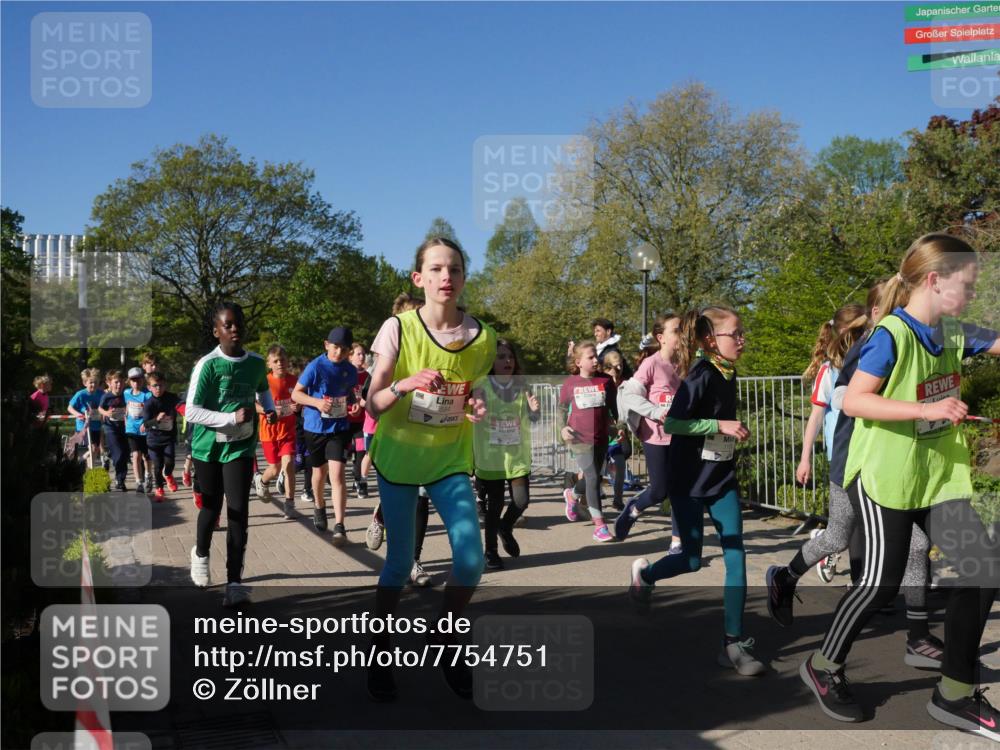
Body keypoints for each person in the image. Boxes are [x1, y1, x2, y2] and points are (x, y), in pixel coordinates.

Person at [798, 233, 999, 737]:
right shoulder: (890, 333)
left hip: (935, 478)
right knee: (881, 583)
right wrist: (927, 408)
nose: (974, 293)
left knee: (980, 571)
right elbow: (855, 400)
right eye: (968, 285)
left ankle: (954, 693)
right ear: (935, 280)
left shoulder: (952, 331)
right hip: (885, 478)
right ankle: (823, 666)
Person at [768, 285, 946, 669]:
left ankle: (918, 636)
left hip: (897, 464)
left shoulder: (907, 341)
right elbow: (836, 403)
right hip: (854, 465)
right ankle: (785, 577)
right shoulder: (870, 347)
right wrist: (805, 457)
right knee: (836, 536)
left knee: (917, 545)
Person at [365, 237, 496, 702]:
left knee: (471, 560)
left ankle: (445, 636)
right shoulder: (398, 328)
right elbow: (374, 404)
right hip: (399, 460)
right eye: (437, 269)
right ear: (419, 278)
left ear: (463, 278)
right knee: (399, 563)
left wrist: (478, 402)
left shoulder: (483, 336)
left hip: (450, 460)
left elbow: (475, 390)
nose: (447, 277)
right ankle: (378, 648)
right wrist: (404, 383)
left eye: (455, 269)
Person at [628, 306, 765, 677]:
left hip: (721, 480)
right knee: (689, 560)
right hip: (688, 482)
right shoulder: (701, 374)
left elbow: (718, 424)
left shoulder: (727, 371)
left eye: (742, 332)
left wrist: (732, 429)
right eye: (734, 333)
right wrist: (719, 423)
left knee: (735, 553)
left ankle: (732, 643)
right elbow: (673, 422)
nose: (742, 339)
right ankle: (647, 576)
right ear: (710, 340)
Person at [187, 302, 276, 607]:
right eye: (228, 325)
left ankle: (234, 582)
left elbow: (262, 389)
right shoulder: (208, 365)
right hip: (208, 447)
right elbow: (191, 411)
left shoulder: (255, 363)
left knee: (239, 511)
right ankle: (200, 554)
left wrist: (271, 409)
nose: (235, 329)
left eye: (238, 324)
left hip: (240, 445)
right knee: (211, 508)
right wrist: (228, 419)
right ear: (217, 332)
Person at [614, 314, 684, 548]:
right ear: (661, 337)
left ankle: (677, 542)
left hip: (681, 435)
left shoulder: (687, 363)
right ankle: (633, 508)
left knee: (679, 490)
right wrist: (655, 412)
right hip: (656, 435)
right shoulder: (651, 363)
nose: (682, 334)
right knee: (659, 491)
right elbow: (629, 394)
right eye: (677, 330)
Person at [473, 339, 540, 570]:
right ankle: (490, 551)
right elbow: (474, 415)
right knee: (495, 505)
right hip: (491, 455)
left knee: (521, 500)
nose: (507, 361)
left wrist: (534, 411)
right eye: (501, 357)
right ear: (491, 361)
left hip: (516, 453)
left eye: (510, 356)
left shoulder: (522, 385)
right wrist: (477, 409)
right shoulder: (482, 384)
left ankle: (505, 527)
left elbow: (532, 419)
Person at [291, 326, 360, 543]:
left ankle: (340, 526)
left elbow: (350, 395)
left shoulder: (350, 370)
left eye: (344, 349)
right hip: (315, 428)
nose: (338, 352)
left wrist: (354, 405)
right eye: (335, 347)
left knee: (337, 474)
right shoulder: (315, 366)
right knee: (318, 474)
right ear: (326, 345)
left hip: (339, 429)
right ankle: (319, 506)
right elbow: (296, 394)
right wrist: (317, 402)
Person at [560, 341, 617, 542]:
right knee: (593, 477)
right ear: (578, 362)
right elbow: (561, 408)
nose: (596, 360)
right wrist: (562, 427)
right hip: (578, 438)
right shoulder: (570, 383)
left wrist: (618, 426)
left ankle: (572, 495)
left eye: (596, 356)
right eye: (590, 357)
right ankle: (600, 526)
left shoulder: (606, 381)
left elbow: (613, 407)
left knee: (593, 477)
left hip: (601, 437)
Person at [254, 345, 299, 519]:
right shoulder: (263, 381)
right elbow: (253, 404)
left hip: (288, 432)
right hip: (269, 433)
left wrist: (298, 406)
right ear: (269, 364)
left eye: (283, 360)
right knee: (274, 468)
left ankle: (289, 503)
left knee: (288, 465)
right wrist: (268, 411)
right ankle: (262, 481)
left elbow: (300, 399)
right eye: (276, 361)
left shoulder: (294, 381)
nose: (280, 363)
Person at [142, 372, 181, 501]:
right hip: (153, 440)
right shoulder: (149, 403)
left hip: (168, 437)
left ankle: (168, 474)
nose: (158, 388)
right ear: (149, 387)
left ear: (165, 386)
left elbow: (182, 405)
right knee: (157, 465)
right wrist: (156, 419)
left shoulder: (172, 398)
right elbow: (146, 424)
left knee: (170, 462)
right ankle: (159, 489)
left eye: (161, 385)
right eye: (155, 386)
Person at [602, 350, 631, 512]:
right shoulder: (599, 381)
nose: (618, 367)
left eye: (620, 363)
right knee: (595, 471)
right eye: (614, 365)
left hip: (616, 431)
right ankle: (585, 494)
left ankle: (618, 499)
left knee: (620, 464)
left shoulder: (624, 381)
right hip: (599, 431)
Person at [98, 370, 129, 491]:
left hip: (125, 428)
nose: (119, 385)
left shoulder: (127, 394)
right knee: (119, 453)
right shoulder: (106, 396)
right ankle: (119, 479)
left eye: (121, 382)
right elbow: (100, 409)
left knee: (125, 454)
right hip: (111, 428)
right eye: (116, 382)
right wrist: (106, 412)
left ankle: (110, 456)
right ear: (109, 383)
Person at [124, 367, 152, 493]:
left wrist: (147, 423)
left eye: (138, 380)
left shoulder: (147, 395)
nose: (136, 383)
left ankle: (148, 475)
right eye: (133, 380)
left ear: (143, 380)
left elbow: (152, 411)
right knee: (135, 455)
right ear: (129, 381)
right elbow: (126, 406)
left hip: (144, 429)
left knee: (146, 457)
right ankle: (138, 482)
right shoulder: (126, 393)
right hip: (131, 428)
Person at [67, 368, 104, 465]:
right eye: (91, 382)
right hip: (83, 426)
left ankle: (87, 467)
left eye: (96, 382)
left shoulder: (101, 394)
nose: (94, 385)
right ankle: (77, 461)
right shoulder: (80, 394)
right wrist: (78, 414)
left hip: (96, 426)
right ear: (85, 383)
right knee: (92, 448)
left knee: (95, 449)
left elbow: (105, 407)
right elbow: (70, 408)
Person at [348, 342, 370, 498]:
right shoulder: (345, 374)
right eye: (358, 354)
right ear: (350, 356)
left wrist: (363, 403)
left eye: (363, 353)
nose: (362, 356)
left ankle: (360, 481)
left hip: (361, 422)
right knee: (342, 453)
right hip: (344, 420)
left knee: (362, 451)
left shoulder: (368, 376)